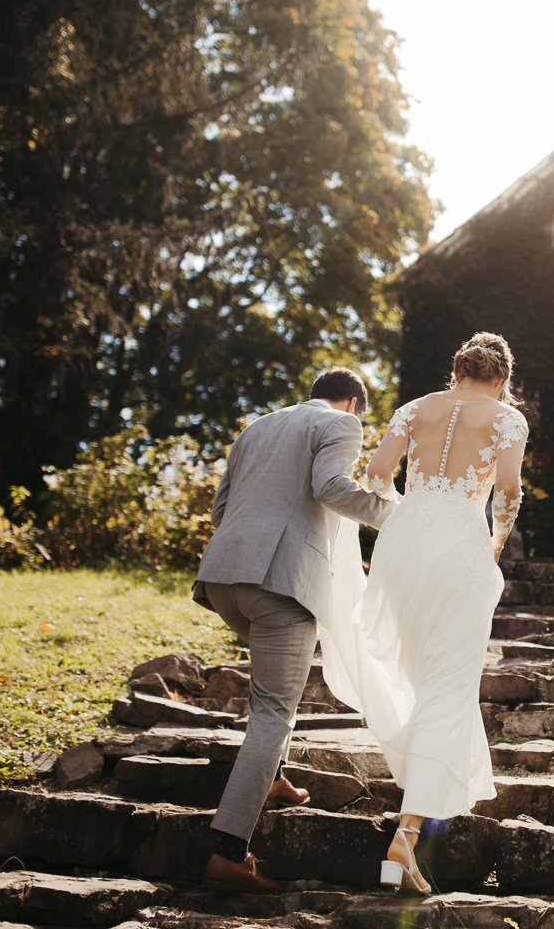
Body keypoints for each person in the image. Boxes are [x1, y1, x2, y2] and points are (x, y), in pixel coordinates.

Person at [316, 332, 528, 895]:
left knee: (417, 674)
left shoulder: (413, 409)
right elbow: (505, 488)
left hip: (404, 543)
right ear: (501, 378)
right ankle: (406, 838)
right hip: (460, 544)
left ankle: (412, 814)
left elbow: (378, 476)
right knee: (447, 685)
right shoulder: (508, 419)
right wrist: (496, 542)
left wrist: (411, 515)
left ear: (454, 370)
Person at [191, 367, 396, 893]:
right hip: (280, 586)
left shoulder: (256, 427)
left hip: (223, 580)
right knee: (273, 712)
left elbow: (220, 510)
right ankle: (228, 853)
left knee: (270, 699)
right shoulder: (342, 426)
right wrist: (397, 516)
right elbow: (330, 486)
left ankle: (275, 778)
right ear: (353, 402)